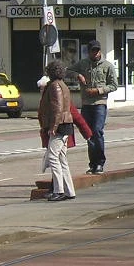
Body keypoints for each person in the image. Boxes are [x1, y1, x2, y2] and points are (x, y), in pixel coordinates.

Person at [70, 39, 118, 174]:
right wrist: (78, 75)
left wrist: (98, 91)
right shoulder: (83, 63)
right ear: (89, 52)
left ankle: (100, 163)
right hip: (86, 104)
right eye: (93, 51)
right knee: (88, 133)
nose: (95, 53)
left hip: (99, 104)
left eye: (97, 51)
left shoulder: (107, 66)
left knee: (97, 131)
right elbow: (67, 71)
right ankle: (93, 164)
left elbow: (114, 85)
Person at [37, 60, 77, 202]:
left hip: (59, 125)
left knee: (53, 157)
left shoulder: (55, 86)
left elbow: (57, 108)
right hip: (65, 124)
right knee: (61, 158)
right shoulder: (63, 85)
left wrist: (53, 127)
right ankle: (69, 191)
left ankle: (58, 190)